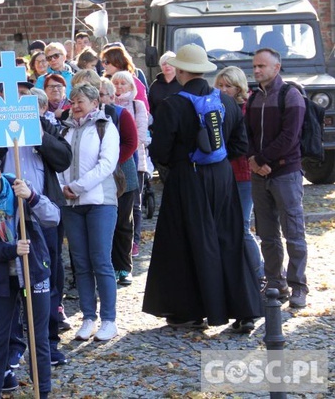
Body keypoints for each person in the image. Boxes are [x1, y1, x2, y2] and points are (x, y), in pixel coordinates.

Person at [143, 44, 263, 328]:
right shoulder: (227, 101)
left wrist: (180, 163)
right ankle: (244, 310)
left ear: (182, 71)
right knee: (229, 239)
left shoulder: (172, 105)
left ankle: (191, 311)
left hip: (188, 177)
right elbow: (240, 145)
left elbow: (160, 152)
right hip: (222, 177)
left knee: (187, 242)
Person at [0, 158, 59, 399]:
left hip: (34, 271)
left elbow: (53, 217)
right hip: (0, 277)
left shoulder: (21, 189)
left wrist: (32, 197)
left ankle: (42, 392)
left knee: (39, 338)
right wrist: (12, 249)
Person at [245, 47, 308, 308]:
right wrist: (253, 160)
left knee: (293, 232)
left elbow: (289, 137)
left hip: (286, 174)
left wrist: (261, 160)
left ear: (276, 68)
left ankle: (298, 286)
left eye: (262, 66)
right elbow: (247, 133)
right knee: (267, 234)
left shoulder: (291, 95)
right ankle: (275, 283)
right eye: (255, 66)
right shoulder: (253, 98)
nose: (257, 70)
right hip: (260, 176)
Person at [58, 84, 120, 342]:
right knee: (80, 263)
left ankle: (108, 319)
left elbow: (107, 164)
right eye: (73, 101)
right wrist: (63, 187)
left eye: (81, 100)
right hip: (72, 205)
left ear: (95, 103)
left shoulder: (105, 127)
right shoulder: (65, 130)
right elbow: (59, 162)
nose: (75, 105)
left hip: (100, 202)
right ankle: (87, 317)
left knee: (101, 261)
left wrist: (78, 186)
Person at [215, 66, 265, 326]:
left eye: (228, 86)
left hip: (243, 175)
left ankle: (260, 276)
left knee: (243, 228)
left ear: (239, 88)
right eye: (220, 85)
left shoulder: (245, 109)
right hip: (224, 176)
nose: (224, 90)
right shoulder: (216, 107)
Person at [111, 70, 150, 280]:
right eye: (114, 84)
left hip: (130, 165)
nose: (117, 88)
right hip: (107, 171)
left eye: (122, 84)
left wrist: (114, 160)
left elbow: (136, 140)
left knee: (128, 214)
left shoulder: (135, 106)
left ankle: (125, 264)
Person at [101, 45, 150, 114]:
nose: (103, 65)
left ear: (117, 62)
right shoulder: (105, 82)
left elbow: (144, 111)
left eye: (106, 62)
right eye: (102, 62)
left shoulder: (133, 81)